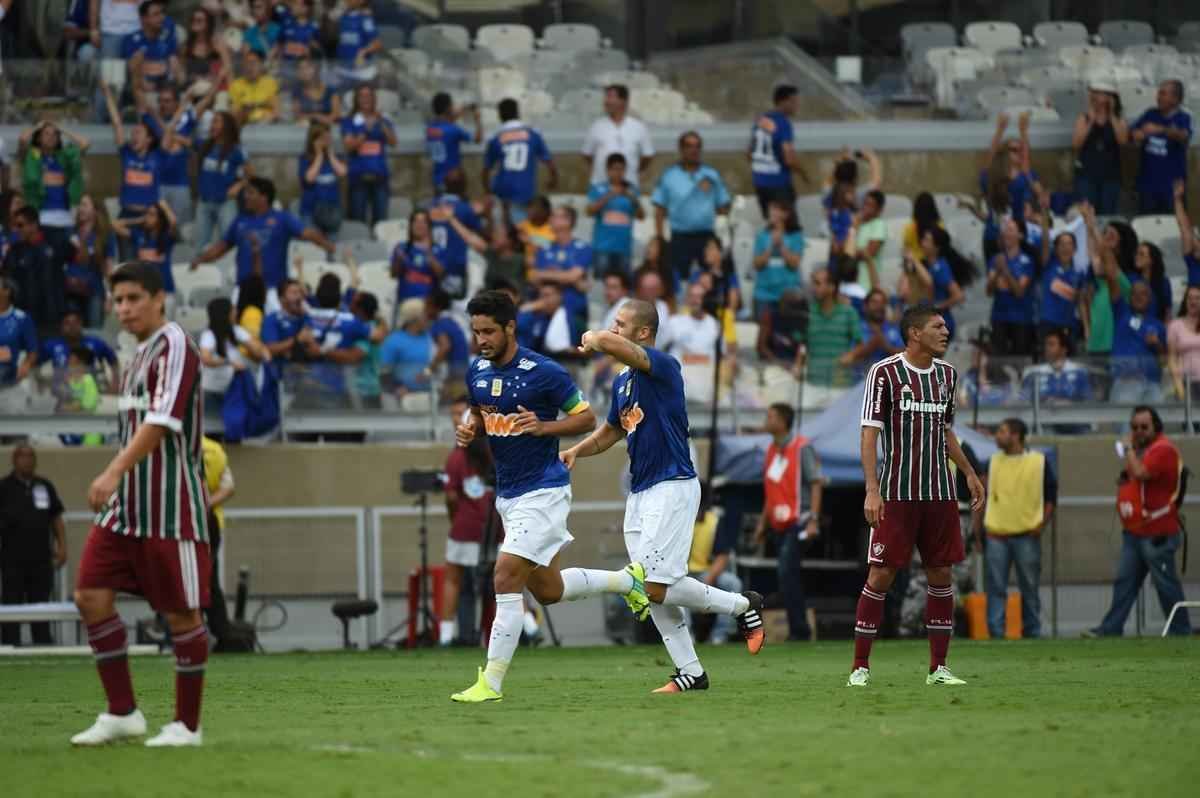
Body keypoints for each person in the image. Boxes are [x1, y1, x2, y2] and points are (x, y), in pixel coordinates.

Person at [561, 300, 766, 694]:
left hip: (672, 485)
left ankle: (742, 607)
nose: (614, 329)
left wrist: (595, 337)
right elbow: (611, 432)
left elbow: (608, 343)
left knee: (651, 586)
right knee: (660, 589)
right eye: (613, 324)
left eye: (621, 324)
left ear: (643, 333)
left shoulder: (664, 366)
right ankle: (693, 671)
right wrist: (576, 451)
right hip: (640, 492)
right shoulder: (623, 383)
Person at [450, 290, 643, 703]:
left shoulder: (544, 372)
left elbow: (587, 417)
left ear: (510, 328)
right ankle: (627, 581)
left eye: (488, 331)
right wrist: (471, 428)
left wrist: (544, 428)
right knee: (549, 591)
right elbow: (479, 412)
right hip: (509, 494)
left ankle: (491, 683)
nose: (481, 339)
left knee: (503, 576)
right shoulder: (477, 371)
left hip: (544, 490)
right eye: (476, 331)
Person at [72, 261, 211, 747]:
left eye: (134, 298)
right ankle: (122, 712)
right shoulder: (136, 355)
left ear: (159, 299)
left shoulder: (175, 344)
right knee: (89, 595)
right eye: (119, 300)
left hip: (170, 508)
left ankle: (186, 727)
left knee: (181, 616)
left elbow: (163, 421)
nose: (125, 309)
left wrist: (112, 470)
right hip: (127, 508)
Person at [852, 304, 986, 687]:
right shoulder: (884, 373)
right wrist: (872, 490)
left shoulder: (947, 375)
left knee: (942, 573)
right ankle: (860, 667)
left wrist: (969, 473)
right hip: (896, 492)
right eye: (938, 326)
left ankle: (938, 669)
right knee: (881, 575)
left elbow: (944, 431)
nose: (946, 332)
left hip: (939, 494)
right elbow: (869, 433)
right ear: (914, 333)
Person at [1088, 406, 1191, 636]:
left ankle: (1181, 630)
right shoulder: (1143, 450)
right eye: (1134, 427)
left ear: (1156, 426)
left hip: (1157, 532)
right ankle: (1110, 628)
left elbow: (1142, 473)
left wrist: (1128, 450)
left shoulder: (1162, 449)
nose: (1138, 432)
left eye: (1144, 427)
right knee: (1124, 583)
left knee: (1165, 584)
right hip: (1136, 531)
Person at [191, 177, 336, 307]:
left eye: (251, 193)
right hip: (244, 288)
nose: (245, 196)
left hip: (274, 289)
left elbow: (307, 233)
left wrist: (326, 245)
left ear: (264, 197)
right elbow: (223, 246)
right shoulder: (240, 221)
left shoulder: (282, 219)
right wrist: (201, 259)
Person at [752, 402, 822, 642]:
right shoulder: (771, 450)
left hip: (798, 521)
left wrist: (813, 519)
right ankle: (798, 627)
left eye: (771, 416)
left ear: (783, 421)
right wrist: (762, 524)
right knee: (787, 575)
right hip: (778, 525)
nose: (766, 420)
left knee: (786, 571)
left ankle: (800, 629)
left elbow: (815, 483)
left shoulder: (802, 447)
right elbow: (770, 492)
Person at [980, 418, 1056, 639]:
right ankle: (996, 634)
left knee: (1029, 588)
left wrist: (1041, 524)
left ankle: (1032, 633)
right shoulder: (992, 462)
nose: (997, 435)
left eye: (1002, 431)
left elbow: (1050, 497)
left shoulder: (1038, 462)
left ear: (1015, 436)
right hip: (996, 534)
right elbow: (983, 497)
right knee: (995, 589)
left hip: (1026, 535)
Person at [0, 445, 66, 646]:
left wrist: (62, 546)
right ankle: (10, 646)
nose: (27, 460)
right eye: (23, 456)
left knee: (42, 606)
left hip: (41, 561)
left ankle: (43, 645)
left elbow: (56, 518)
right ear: (14, 459)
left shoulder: (44, 486)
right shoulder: (4, 487)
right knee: (12, 605)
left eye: (31, 456)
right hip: (11, 561)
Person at [652, 131, 732, 287]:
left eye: (697, 146)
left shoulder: (711, 174)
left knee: (709, 281)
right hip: (680, 237)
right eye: (688, 146)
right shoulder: (669, 176)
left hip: (706, 237)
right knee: (677, 281)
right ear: (681, 149)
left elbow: (724, 206)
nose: (693, 150)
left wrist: (710, 198)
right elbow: (659, 210)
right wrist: (660, 239)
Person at [441, 428, 496, 646]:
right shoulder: (497, 453)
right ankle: (527, 628)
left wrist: (455, 518)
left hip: (465, 529)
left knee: (453, 580)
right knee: (508, 582)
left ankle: (445, 637)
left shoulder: (456, 457)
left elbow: (451, 496)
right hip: (495, 528)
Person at [19, 120, 89, 256]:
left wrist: (61, 128)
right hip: (40, 218)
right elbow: (22, 140)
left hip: (65, 219)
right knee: (42, 261)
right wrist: (37, 126)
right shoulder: (31, 156)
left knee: (67, 260)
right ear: (39, 137)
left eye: (54, 134)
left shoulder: (64, 156)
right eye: (46, 134)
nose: (51, 137)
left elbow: (85, 144)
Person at [139, 85, 206, 227]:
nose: (163, 104)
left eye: (168, 101)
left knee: (182, 229)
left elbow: (207, 101)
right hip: (157, 184)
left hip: (180, 184)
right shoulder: (150, 121)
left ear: (176, 102)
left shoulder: (186, 119)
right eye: (161, 101)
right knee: (155, 227)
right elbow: (165, 138)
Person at [483, 98, 557, 224]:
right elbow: (549, 162)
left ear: (500, 115)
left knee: (506, 227)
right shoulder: (533, 135)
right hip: (526, 191)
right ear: (518, 113)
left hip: (503, 190)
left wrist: (487, 190)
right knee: (524, 227)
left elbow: (486, 169)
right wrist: (553, 179)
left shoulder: (496, 138)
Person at [99, 81, 161, 227]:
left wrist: (153, 113)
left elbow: (166, 133)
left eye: (138, 133)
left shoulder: (157, 156)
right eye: (132, 133)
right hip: (126, 214)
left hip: (149, 217)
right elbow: (117, 123)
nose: (134, 136)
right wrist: (108, 95)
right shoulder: (127, 153)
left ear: (149, 139)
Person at [4, 206, 67, 336]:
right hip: (24, 316)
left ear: (34, 224)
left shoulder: (54, 244)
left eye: (20, 225)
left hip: (51, 316)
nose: (17, 229)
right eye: (15, 225)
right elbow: (8, 282)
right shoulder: (14, 252)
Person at [198, 296, 268, 412]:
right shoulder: (209, 335)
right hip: (214, 389)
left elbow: (259, 349)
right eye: (232, 310)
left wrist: (261, 351)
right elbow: (205, 359)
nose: (236, 312)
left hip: (232, 387)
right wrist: (229, 363)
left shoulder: (236, 330)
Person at [1132, 80, 1192, 214]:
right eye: (1159, 93)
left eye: (1163, 94)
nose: (1158, 97)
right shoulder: (1150, 114)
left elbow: (1184, 136)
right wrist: (1137, 135)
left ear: (1175, 98)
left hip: (1172, 189)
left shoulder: (1183, 118)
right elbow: (1134, 132)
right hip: (1147, 186)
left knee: (1172, 227)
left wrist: (1161, 130)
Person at [341, 85, 397, 227]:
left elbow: (393, 142)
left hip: (380, 177)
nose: (366, 99)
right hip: (358, 177)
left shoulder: (383, 119)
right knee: (357, 221)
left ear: (374, 99)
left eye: (369, 95)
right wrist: (366, 130)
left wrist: (382, 123)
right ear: (356, 99)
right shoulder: (350, 120)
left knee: (381, 222)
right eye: (362, 96)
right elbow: (349, 145)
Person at [531, 205, 591, 336]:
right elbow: (535, 277)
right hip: (546, 311)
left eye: (555, 216)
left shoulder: (582, 248)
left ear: (568, 221)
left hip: (574, 311)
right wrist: (566, 275)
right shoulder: (544, 248)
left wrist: (549, 274)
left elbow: (573, 276)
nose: (550, 219)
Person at [194, 111, 251, 250]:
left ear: (226, 126)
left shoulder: (236, 150)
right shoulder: (204, 145)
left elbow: (249, 174)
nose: (212, 125)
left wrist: (238, 186)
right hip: (204, 202)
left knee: (228, 241)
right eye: (212, 122)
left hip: (225, 203)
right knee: (200, 244)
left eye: (216, 121)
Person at [748, 84, 807, 216]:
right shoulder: (783, 123)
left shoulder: (761, 121)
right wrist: (803, 173)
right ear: (783, 101)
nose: (797, 106)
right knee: (788, 226)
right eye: (794, 102)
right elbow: (789, 158)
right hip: (778, 184)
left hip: (760, 183)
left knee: (771, 222)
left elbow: (749, 153)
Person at [582, 84, 655, 187]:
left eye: (610, 97)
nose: (606, 102)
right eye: (606, 97)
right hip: (600, 186)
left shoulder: (638, 127)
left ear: (623, 101)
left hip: (629, 186)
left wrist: (633, 170)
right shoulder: (596, 126)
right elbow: (587, 155)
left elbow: (648, 155)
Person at [797, 268, 860, 388]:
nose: (813, 288)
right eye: (813, 283)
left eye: (818, 283)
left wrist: (852, 354)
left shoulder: (849, 312)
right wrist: (798, 365)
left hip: (839, 382)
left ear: (831, 287)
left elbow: (860, 344)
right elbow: (803, 344)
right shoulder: (808, 312)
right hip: (813, 381)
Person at [112, 201, 179, 314]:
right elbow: (114, 225)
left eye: (152, 214)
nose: (148, 217)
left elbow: (173, 222)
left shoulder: (166, 237)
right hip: (143, 293)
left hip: (165, 291)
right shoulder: (139, 235)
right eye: (147, 213)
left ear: (160, 218)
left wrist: (164, 205)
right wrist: (139, 219)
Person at [1073, 81, 1128, 214]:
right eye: (1093, 92)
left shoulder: (1118, 119)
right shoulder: (1083, 118)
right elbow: (1076, 144)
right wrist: (1091, 121)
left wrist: (1112, 115)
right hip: (1087, 175)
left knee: (1107, 213)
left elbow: (1123, 141)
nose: (1094, 96)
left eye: (1098, 93)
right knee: (1087, 213)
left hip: (1110, 176)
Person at [1108, 278, 1166, 404]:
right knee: (1124, 423)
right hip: (1126, 381)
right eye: (1134, 293)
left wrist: (1157, 344)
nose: (1138, 297)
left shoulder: (1158, 325)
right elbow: (1112, 281)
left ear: (1150, 298)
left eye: (1143, 294)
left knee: (1155, 422)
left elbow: (1164, 360)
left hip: (1152, 383)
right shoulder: (1121, 314)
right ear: (1129, 297)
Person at [429, 169, 484, 299]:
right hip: (454, 265)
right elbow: (480, 235)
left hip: (432, 261)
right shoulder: (465, 208)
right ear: (464, 186)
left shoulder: (431, 205)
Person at [199, 436, 234, 646]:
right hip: (211, 523)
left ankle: (183, 634)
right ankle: (222, 633)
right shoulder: (214, 450)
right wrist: (207, 504)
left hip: (179, 524)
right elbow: (229, 487)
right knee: (209, 579)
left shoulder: (167, 444)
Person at [586, 153, 642, 276]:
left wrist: (632, 198)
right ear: (608, 170)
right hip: (602, 247)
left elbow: (641, 216)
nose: (618, 172)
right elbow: (589, 212)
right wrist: (608, 196)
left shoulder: (632, 190)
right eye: (615, 169)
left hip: (624, 247)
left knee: (624, 285)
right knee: (600, 285)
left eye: (622, 169)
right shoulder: (598, 189)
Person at [987, 218, 1036, 357]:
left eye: (1011, 229)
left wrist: (1006, 271)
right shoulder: (995, 259)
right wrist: (996, 272)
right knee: (998, 361)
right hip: (999, 317)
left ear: (1020, 235)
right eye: (1005, 230)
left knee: (1019, 360)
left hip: (1021, 318)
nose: (1006, 233)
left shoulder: (1027, 261)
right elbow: (989, 291)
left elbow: (1019, 292)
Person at [751, 198, 805, 320]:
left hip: (788, 295)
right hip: (764, 295)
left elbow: (794, 264)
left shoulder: (796, 236)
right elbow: (757, 264)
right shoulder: (762, 236)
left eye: (776, 209)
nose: (772, 213)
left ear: (786, 213)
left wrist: (781, 245)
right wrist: (770, 247)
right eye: (771, 209)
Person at [39, 308, 120, 388]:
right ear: (61, 326)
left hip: (90, 390)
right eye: (67, 323)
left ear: (81, 324)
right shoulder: (51, 345)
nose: (72, 327)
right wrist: (40, 384)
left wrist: (115, 383)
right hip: (61, 393)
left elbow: (113, 360)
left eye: (75, 323)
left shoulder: (96, 343)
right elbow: (35, 364)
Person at [298, 122, 347, 240]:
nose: (326, 141)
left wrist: (330, 154)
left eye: (328, 138)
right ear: (313, 140)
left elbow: (342, 173)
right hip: (310, 211)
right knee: (313, 248)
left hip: (332, 211)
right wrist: (319, 155)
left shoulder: (336, 157)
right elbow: (309, 178)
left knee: (331, 246)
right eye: (323, 138)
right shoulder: (305, 158)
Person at [123, 0, 183, 95]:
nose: (162, 17)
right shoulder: (132, 40)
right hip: (142, 91)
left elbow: (174, 65)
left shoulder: (168, 38)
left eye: (162, 13)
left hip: (166, 88)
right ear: (144, 18)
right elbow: (132, 69)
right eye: (156, 14)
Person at [426, 92, 481, 193]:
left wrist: (464, 108)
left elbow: (447, 120)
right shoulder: (454, 130)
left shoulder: (430, 128)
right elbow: (478, 139)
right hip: (452, 180)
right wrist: (477, 120)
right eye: (452, 105)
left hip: (437, 178)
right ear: (448, 109)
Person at [1021, 329, 1091, 407]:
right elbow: (1023, 400)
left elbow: (1088, 400)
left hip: (1074, 416)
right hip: (1042, 416)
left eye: (1051, 344)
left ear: (1064, 350)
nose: (1047, 348)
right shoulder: (1033, 373)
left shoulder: (1079, 372)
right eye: (1046, 345)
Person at [379, 297, 431, 397]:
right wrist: (396, 387)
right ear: (415, 318)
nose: (429, 317)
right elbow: (384, 371)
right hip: (402, 397)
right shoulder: (394, 340)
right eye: (426, 314)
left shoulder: (431, 338)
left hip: (430, 395)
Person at [390, 209, 444, 304]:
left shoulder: (438, 249)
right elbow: (393, 274)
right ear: (410, 226)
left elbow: (442, 275)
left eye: (423, 222)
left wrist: (429, 254)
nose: (419, 225)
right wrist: (399, 261)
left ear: (429, 226)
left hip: (429, 304)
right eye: (416, 221)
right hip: (406, 301)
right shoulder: (401, 247)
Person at [665, 281, 720, 365]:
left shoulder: (715, 324)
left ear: (706, 300)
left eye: (699, 296)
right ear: (687, 299)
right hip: (679, 374)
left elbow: (723, 355)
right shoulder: (674, 322)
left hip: (706, 373)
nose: (695, 300)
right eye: (691, 296)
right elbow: (659, 348)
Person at [515, 283, 575, 358]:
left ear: (559, 296)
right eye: (541, 296)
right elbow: (521, 330)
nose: (544, 300)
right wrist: (526, 310)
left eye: (547, 295)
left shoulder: (570, 318)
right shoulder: (539, 319)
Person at [0, 277, 37, 397]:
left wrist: (26, 365)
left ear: (7, 291)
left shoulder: (21, 318)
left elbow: (32, 351)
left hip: (11, 372)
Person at [851, 288, 903, 368]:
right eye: (874, 302)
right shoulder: (856, 328)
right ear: (865, 306)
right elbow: (849, 357)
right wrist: (872, 345)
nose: (879, 306)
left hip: (888, 377)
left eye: (882, 303)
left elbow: (905, 355)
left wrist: (887, 347)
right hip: (861, 377)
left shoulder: (893, 329)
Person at [426, 288, 469, 385]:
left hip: (454, 369)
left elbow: (445, 346)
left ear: (437, 307)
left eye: (428, 305)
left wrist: (428, 370)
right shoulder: (451, 321)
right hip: (462, 366)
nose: (425, 309)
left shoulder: (440, 323)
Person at [229, 48, 280, 126]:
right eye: (247, 63)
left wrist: (267, 120)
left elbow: (276, 111)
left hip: (266, 125)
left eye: (253, 63)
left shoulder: (270, 83)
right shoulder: (236, 85)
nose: (250, 67)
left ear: (261, 65)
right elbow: (233, 115)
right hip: (244, 126)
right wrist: (244, 113)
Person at [336, 0, 381, 85]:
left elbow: (377, 44)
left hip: (361, 72)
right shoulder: (341, 18)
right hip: (342, 70)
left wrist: (363, 52)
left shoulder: (365, 19)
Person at [1168, 284, 1200, 401]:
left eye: (1197, 298)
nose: (1193, 301)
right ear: (1185, 301)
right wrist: (1179, 387)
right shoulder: (1175, 325)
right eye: (1190, 298)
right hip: (1185, 382)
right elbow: (1172, 358)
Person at [292, 57, 341, 127]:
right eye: (300, 69)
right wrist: (316, 116)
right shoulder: (297, 92)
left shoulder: (331, 90)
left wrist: (326, 120)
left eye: (308, 67)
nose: (304, 71)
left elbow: (336, 114)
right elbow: (297, 115)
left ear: (315, 69)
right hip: (306, 127)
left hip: (329, 126)